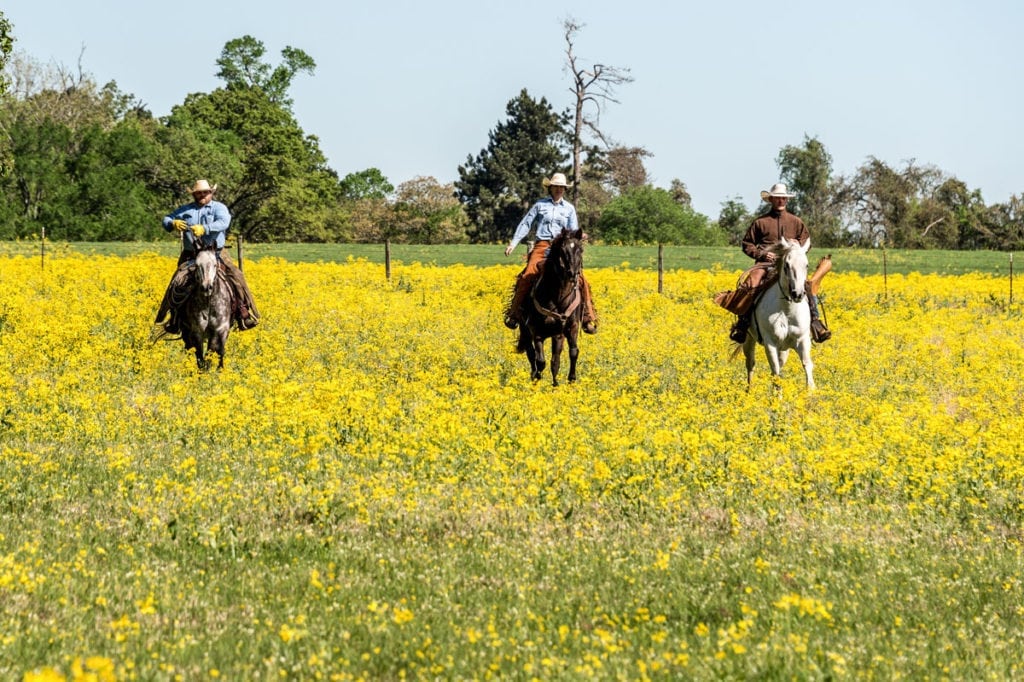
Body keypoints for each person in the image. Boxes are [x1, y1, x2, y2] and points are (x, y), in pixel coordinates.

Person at [728, 182, 831, 343]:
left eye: (783, 198)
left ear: (786, 200)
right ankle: (743, 324)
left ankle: (816, 322)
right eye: (777, 198)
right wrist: (762, 254)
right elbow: (747, 244)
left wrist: (795, 248)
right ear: (771, 200)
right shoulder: (760, 222)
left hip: (789, 265)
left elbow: (806, 243)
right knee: (751, 284)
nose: (780, 201)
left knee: (807, 287)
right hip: (765, 265)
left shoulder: (796, 221)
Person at [153, 179, 259, 336]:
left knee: (236, 276)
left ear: (211, 193)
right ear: (194, 194)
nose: (201, 195)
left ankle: (244, 313)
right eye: (198, 193)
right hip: (191, 254)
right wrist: (172, 223)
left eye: (205, 192)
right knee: (177, 281)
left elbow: (224, 222)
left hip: (216, 252)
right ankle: (172, 317)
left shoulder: (219, 208)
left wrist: (205, 228)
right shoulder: (186, 210)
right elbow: (166, 219)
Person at [503, 172, 598, 334]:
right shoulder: (540, 205)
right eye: (556, 187)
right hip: (542, 245)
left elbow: (573, 230)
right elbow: (526, 223)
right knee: (527, 275)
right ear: (550, 188)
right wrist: (513, 243)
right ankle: (515, 313)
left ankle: (588, 318)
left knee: (581, 279)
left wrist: (579, 237)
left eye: (562, 187)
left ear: (564, 189)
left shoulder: (569, 208)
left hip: (562, 248)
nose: (559, 189)